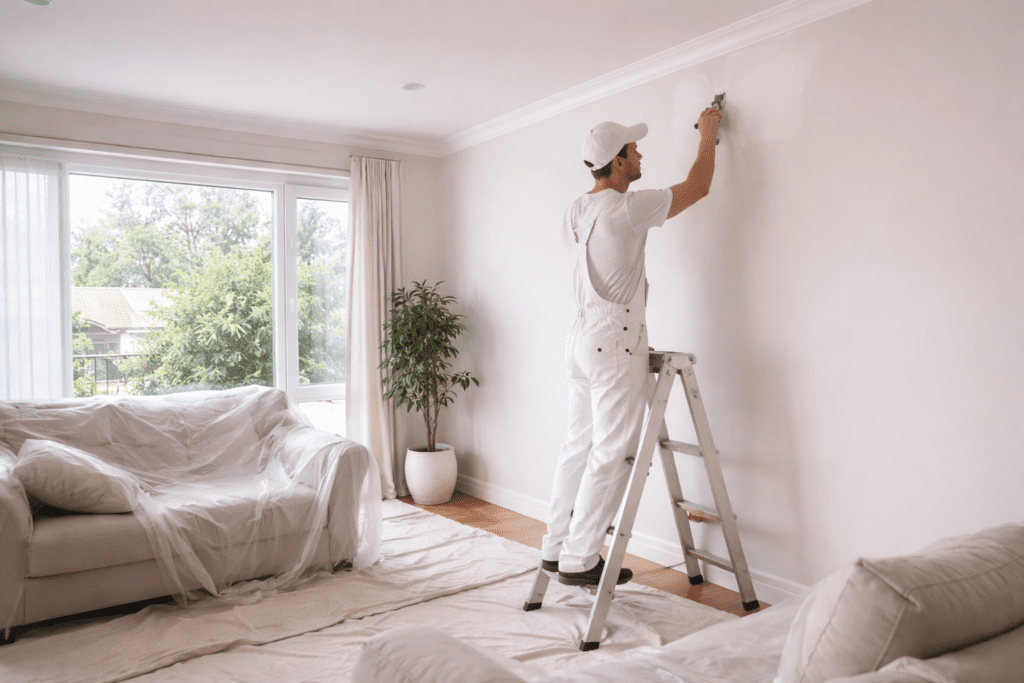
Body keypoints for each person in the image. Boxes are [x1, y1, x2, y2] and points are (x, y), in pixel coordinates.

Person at [541, 108, 722, 586]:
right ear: (618, 164)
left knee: (578, 445)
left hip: (579, 340)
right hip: (614, 341)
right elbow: (698, 187)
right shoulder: (625, 207)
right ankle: (580, 559)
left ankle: (555, 546)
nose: (641, 153)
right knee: (614, 450)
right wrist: (709, 135)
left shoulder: (575, 210)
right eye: (633, 149)